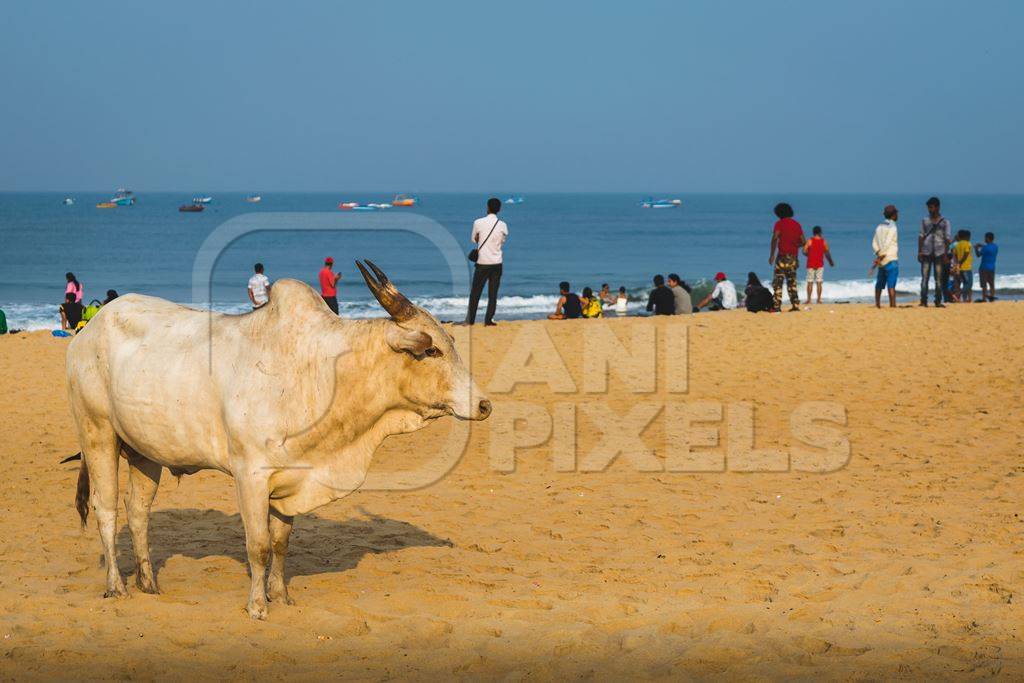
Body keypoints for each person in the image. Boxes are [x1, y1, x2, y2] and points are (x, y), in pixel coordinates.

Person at [464, 197, 508, 326]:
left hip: (482, 262)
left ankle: (471, 320)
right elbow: (502, 241)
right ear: (499, 209)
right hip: (497, 262)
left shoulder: (478, 222)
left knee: (475, 293)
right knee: (493, 293)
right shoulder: (502, 225)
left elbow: (474, 240)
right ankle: (488, 320)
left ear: (487, 207)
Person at [768, 203, 805, 312]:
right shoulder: (797, 224)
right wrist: (795, 245)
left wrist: (772, 255)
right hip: (793, 257)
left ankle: (777, 306)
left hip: (782, 257)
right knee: (792, 282)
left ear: (779, 213)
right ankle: (795, 305)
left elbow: (775, 238)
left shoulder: (779, 223)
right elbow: (803, 242)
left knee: (778, 282)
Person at [918, 197, 952, 307]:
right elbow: (921, 236)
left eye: (931, 207)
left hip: (940, 253)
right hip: (926, 252)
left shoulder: (945, 222)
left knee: (938, 279)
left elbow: (947, 239)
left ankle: (937, 301)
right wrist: (919, 251)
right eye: (928, 207)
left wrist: (946, 254)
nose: (929, 209)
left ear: (937, 207)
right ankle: (923, 301)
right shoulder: (925, 220)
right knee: (924, 279)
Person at [872, 205, 900, 309]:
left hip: (881, 260)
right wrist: (883, 254)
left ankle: (877, 304)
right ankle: (892, 305)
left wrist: (878, 253)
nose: (897, 215)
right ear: (893, 215)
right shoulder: (893, 226)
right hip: (891, 258)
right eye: (896, 213)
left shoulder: (879, 226)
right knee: (891, 284)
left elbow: (874, 242)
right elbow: (888, 242)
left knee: (879, 283)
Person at [802, 226, 835, 304]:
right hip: (820, 264)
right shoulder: (823, 242)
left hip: (810, 264)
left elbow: (804, 251)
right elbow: (827, 253)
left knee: (810, 282)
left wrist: (808, 255)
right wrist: (831, 262)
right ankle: (819, 299)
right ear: (820, 232)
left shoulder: (810, 241)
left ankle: (809, 300)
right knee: (819, 282)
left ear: (813, 232)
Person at [975, 232, 998, 302]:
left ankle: (984, 298)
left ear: (987, 238)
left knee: (984, 285)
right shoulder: (995, 247)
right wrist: (982, 245)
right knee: (992, 284)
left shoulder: (985, 248)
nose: (984, 239)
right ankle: (992, 297)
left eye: (985, 238)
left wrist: (976, 248)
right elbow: (989, 247)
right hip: (992, 267)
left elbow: (978, 255)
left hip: (984, 268)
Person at [951, 229, 973, 303]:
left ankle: (964, 299)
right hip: (966, 267)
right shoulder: (967, 243)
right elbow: (966, 253)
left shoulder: (957, 245)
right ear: (966, 237)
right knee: (969, 284)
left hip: (960, 267)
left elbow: (955, 255)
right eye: (969, 237)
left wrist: (957, 263)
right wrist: (961, 262)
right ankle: (958, 295)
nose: (970, 238)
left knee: (964, 283)